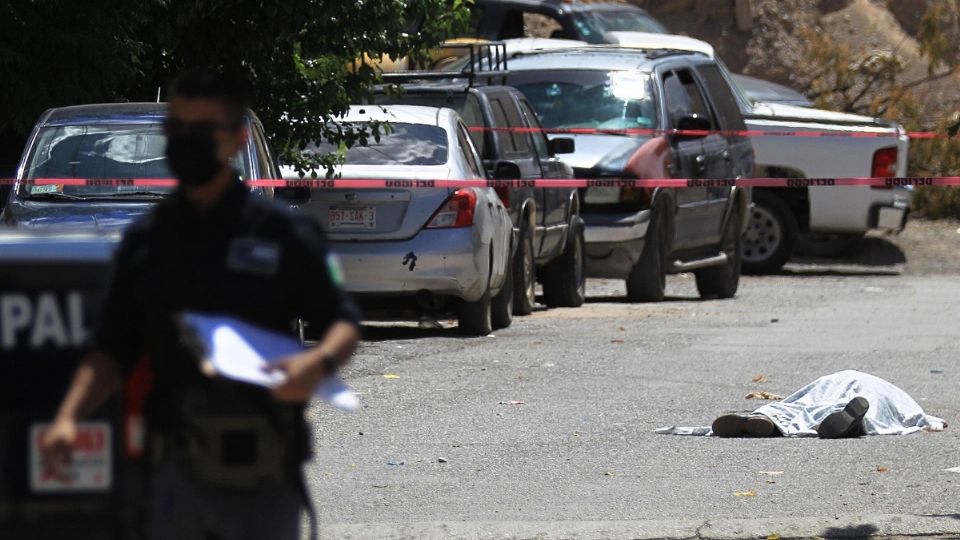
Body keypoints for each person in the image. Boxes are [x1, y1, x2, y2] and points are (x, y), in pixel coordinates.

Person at [39, 68, 361, 540]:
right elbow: (110, 348)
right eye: (177, 129)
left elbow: (342, 321)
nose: (186, 142)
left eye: (202, 130)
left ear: (236, 139)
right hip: (172, 477)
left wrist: (318, 363)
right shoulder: (147, 241)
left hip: (261, 477)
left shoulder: (282, 234)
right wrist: (67, 418)